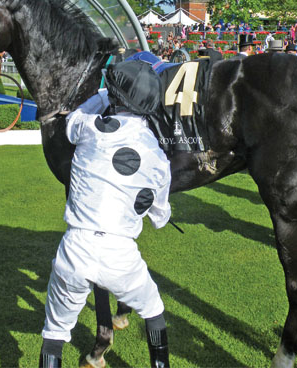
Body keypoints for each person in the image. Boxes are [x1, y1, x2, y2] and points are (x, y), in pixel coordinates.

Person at [39, 60, 172, 368]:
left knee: (55, 333)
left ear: (114, 97)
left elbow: (72, 122)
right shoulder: (158, 158)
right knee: (153, 311)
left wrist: (103, 94)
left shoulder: (88, 127)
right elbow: (160, 216)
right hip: (119, 252)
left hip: (75, 247)